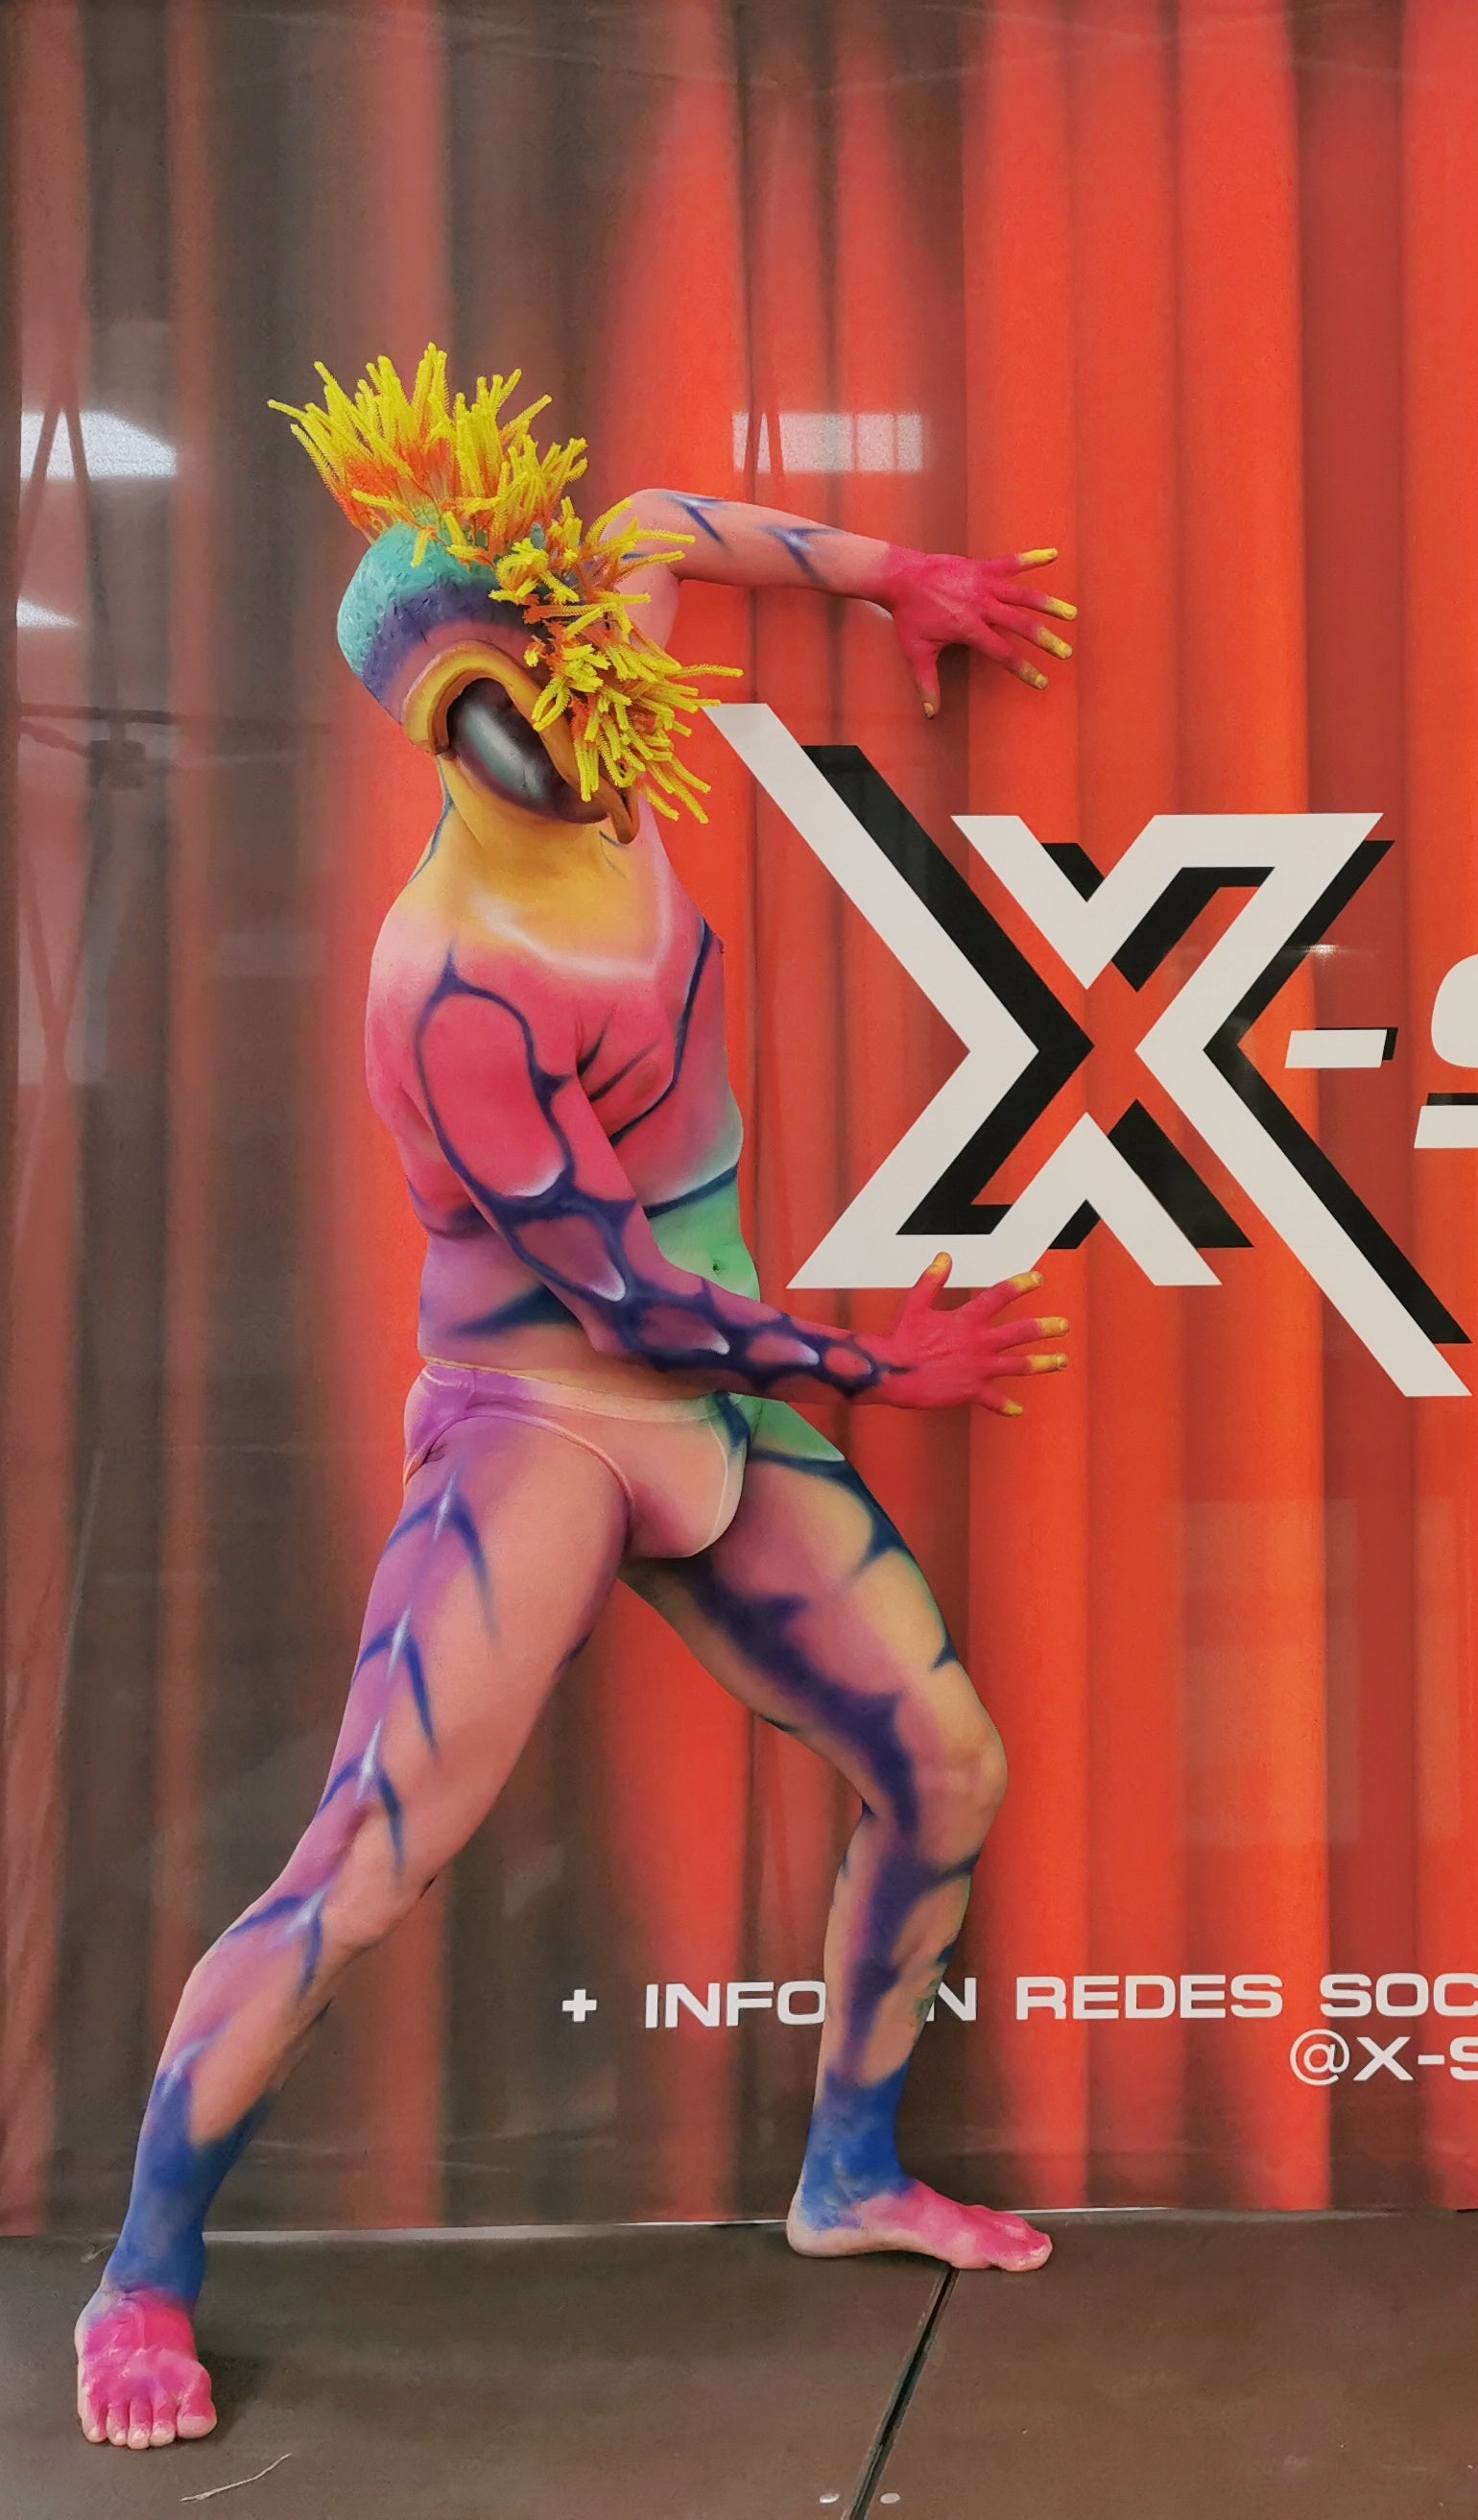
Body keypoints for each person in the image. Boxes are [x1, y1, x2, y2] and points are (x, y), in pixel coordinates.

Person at [77, 350, 1084, 2450]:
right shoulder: (445, 975)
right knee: (366, 1856)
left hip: (705, 1398)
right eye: (475, 714)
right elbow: (619, 1286)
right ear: (434, 731)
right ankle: (140, 2271)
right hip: (542, 1413)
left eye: (536, 674)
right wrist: (873, 1363)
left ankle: (847, 2169)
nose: (535, 732)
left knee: (945, 1764)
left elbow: (665, 523)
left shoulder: (601, 655)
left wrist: (896, 575)